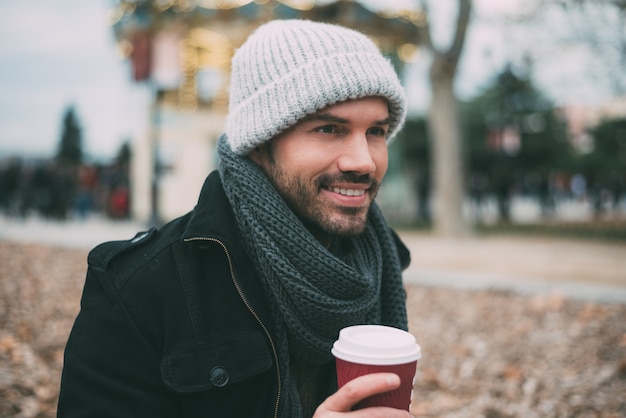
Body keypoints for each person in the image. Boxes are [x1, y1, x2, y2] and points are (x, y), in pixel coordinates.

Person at [58, 19, 412, 418]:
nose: (364, 161)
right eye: (329, 128)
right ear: (260, 143)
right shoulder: (138, 290)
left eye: (377, 131)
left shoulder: (379, 269)